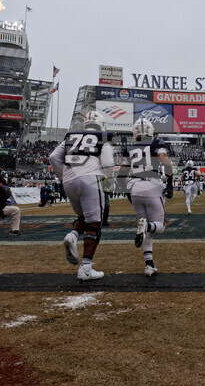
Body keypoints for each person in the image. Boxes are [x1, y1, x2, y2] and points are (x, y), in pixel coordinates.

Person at [49, 110, 115, 281]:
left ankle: (73, 235)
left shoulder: (71, 136)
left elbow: (53, 157)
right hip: (90, 178)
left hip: (69, 180)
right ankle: (85, 268)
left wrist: (63, 177)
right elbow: (108, 163)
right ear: (101, 124)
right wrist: (109, 182)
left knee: (82, 217)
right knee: (95, 224)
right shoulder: (103, 137)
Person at [124, 118, 173, 277]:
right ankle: (146, 227)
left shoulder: (130, 147)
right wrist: (170, 184)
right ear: (151, 131)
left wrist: (127, 191)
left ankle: (149, 264)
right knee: (158, 226)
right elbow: (166, 161)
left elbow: (123, 170)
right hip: (152, 185)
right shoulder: (157, 143)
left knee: (144, 226)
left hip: (135, 187)